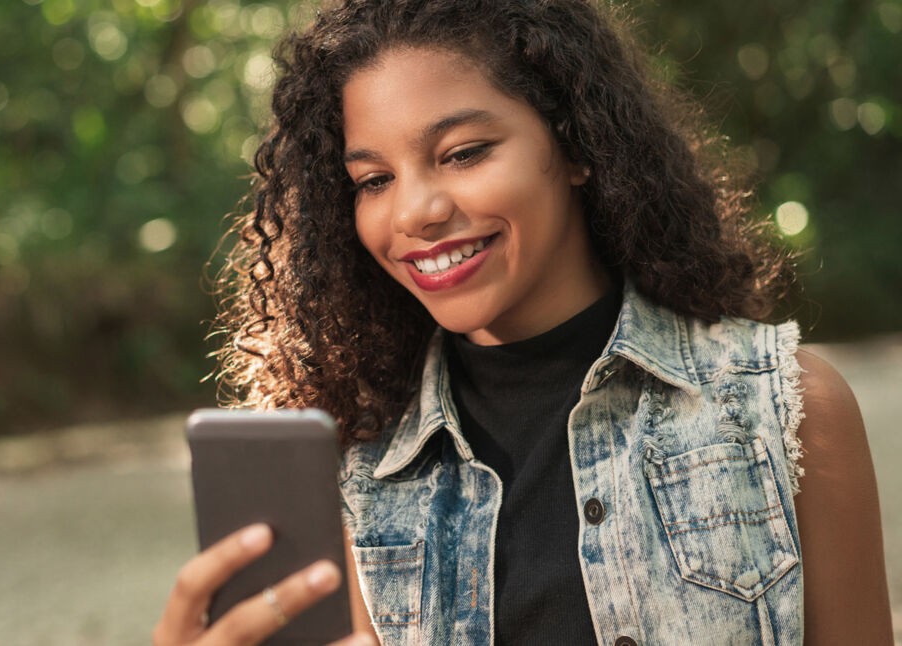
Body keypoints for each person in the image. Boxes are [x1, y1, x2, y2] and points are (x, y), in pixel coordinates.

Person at [153, 0, 893, 643]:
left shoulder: (782, 409)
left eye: (464, 152)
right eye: (373, 180)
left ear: (574, 145)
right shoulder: (347, 470)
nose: (416, 211)